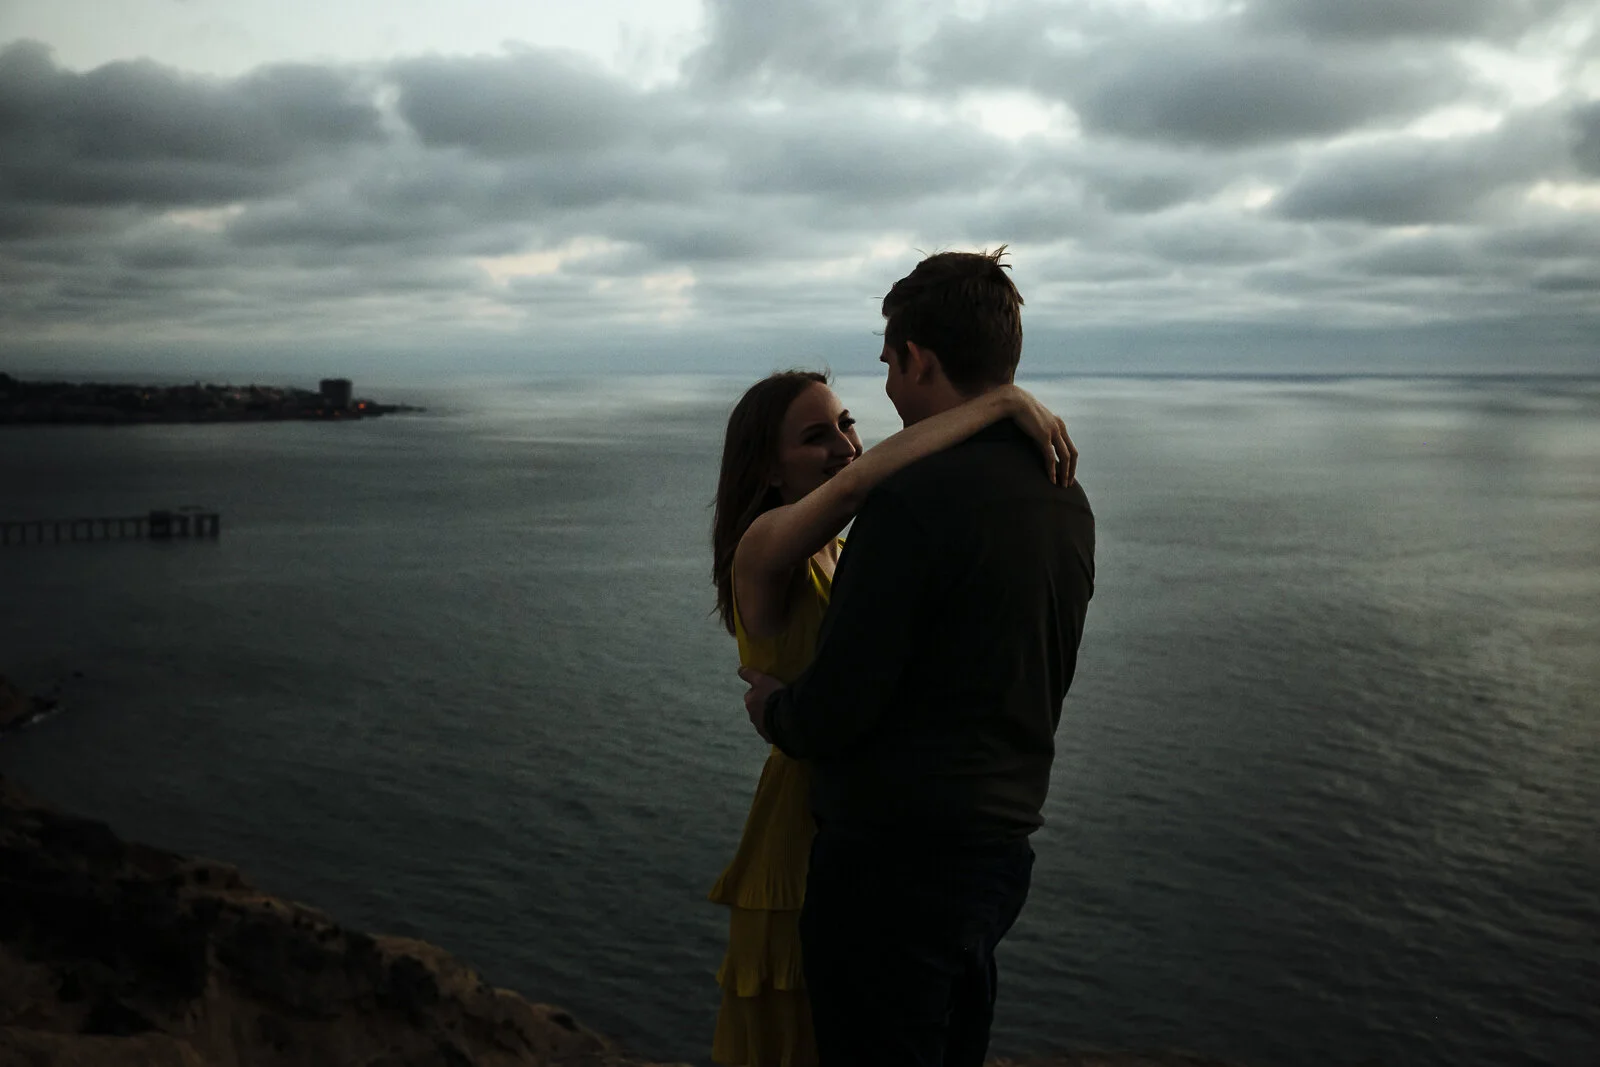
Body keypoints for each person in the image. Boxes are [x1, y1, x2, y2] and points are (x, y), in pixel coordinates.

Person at [739, 249, 1096, 1067]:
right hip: (999, 853)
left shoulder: (910, 503)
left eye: (888, 366)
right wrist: (1005, 400)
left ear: (918, 359)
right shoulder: (1064, 494)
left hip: (894, 866)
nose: (887, 393)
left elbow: (836, 707)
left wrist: (774, 708)